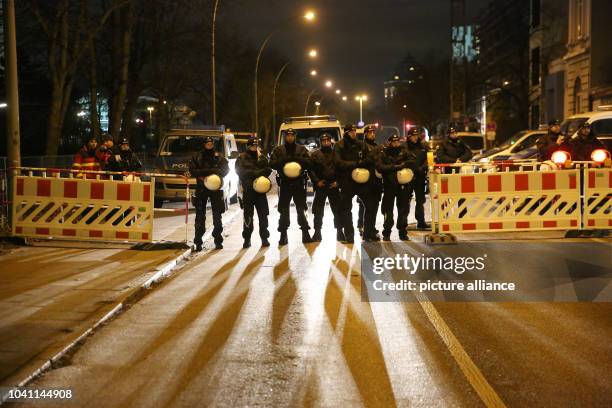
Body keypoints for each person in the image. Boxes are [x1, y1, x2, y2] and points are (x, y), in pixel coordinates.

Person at [334, 124, 378, 243]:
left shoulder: (361, 144)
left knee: (371, 206)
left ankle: (367, 233)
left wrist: (361, 162)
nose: (353, 133)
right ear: (346, 133)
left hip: (362, 182)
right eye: (351, 131)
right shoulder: (339, 145)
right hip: (347, 181)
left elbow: (370, 158)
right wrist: (355, 164)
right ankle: (349, 235)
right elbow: (338, 162)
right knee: (345, 209)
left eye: (354, 131)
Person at [269, 128, 312, 245]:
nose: (289, 137)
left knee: (301, 209)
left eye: (292, 135)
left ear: (295, 136)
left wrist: (297, 159)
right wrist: (284, 160)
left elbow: (309, 163)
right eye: (287, 135)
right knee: (283, 210)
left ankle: (305, 233)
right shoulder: (279, 150)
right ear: (285, 137)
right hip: (285, 184)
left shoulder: (301, 149)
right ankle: (283, 235)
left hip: (298, 183)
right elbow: (272, 164)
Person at [189, 136, 229, 251]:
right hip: (201, 188)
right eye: (207, 143)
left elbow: (226, 169)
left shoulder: (219, 157)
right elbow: (192, 171)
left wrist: (218, 173)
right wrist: (210, 171)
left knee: (217, 216)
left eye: (211, 143)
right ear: (203, 144)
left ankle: (218, 240)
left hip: (215, 189)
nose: (209, 145)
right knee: (200, 216)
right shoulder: (197, 157)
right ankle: (198, 242)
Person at [235, 137, 271, 248]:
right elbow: (241, 172)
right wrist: (257, 173)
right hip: (248, 192)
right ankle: (247, 239)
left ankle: (264, 238)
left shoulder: (262, 157)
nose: (255, 147)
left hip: (260, 193)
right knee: (248, 217)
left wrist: (254, 173)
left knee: (263, 216)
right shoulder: (241, 158)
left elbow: (268, 170)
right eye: (252, 146)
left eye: (256, 145)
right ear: (248, 146)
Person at [377, 134, 414, 241]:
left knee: (403, 210)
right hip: (389, 186)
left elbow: (412, 162)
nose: (396, 143)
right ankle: (387, 233)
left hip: (403, 186)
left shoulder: (404, 151)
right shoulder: (384, 153)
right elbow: (380, 167)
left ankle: (403, 233)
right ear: (390, 142)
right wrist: (394, 167)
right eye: (394, 142)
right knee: (388, 211)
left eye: (398, 141)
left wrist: (403, 165)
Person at [309, 133, 342, 242]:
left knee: (337, 210)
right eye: (324, 141)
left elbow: (341, 168)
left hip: (334, 186)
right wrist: (316, 181)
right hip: (321, 186)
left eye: (328, 140)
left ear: (330, 141)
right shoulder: (315, 154)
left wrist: (338, 182)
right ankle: (317, 232)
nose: (326, 142)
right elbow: (311, 170)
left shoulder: (336, 154)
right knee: (318, 212)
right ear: (321, 142)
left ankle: (339, 232)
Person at [357, 125, 383, 237]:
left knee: (374, 206)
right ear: (365, 134)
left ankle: (371, 228)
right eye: (370, 132)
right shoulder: (362, 146)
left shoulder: (377, 146)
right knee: (366, 206)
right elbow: (361, 161)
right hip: (366, 181)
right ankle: (364, 228)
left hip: (376, 181)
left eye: (373, 132)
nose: (372, 134)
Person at [405, 127, 430, 230]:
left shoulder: (423, 146)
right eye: (413, 136)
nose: (415, 138)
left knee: (420, 200)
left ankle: (421, 221)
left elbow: (428, 159)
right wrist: (415, 168)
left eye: (417, 136)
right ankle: (403, 222)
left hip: (420, 176)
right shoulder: (405, 147)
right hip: (408, 176)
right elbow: (404, 160)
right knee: (406, 200)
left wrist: (422, 168)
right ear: (409, 137)